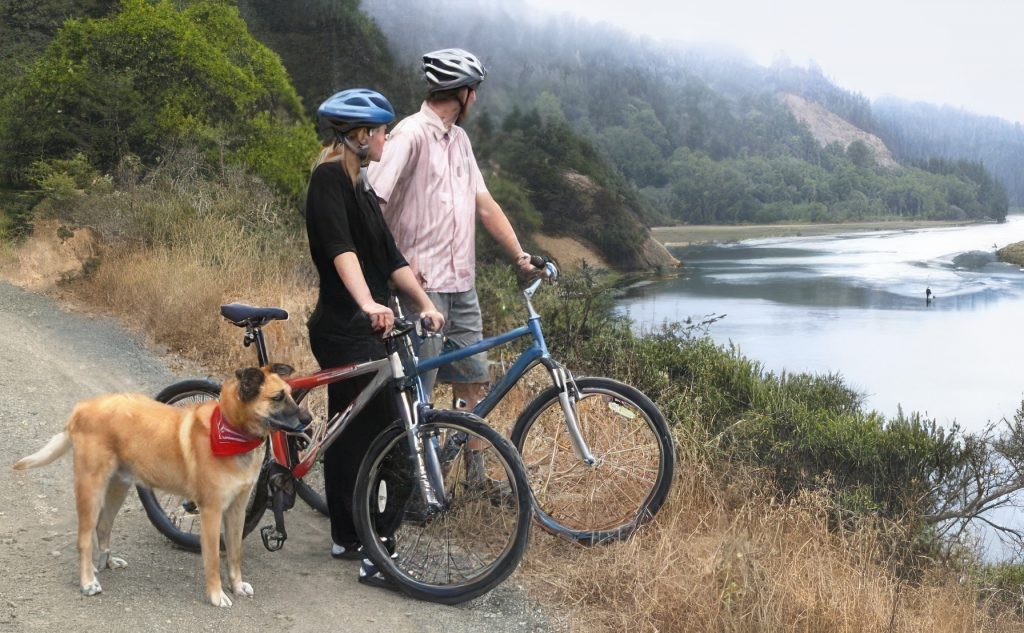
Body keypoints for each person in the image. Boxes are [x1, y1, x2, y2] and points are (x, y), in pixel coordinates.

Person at [305, 88, 444, 589]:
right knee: (382, 439)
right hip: (345, 327)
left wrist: (424, 303)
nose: (387, 136)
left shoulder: (360, 184)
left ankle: (351, 536)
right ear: (360, 136)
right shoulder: (327, 180)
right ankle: (375, 551)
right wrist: (367, 303)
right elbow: (342, 252)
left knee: (355, 434)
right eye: (381, 129)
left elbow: (390, 257)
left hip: (374, 326)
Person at [368, 48, 536, 415]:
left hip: (462, 285)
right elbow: (372, 203)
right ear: (461, 92)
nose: (475, 98)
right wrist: (394, 267)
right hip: (420, 287)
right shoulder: (410, 134)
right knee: (418, 386)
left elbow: (485, 205)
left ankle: (470, 468)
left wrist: (520, 256)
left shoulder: (460, 140)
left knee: (473, 380)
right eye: (473, 90)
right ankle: (415, 471)